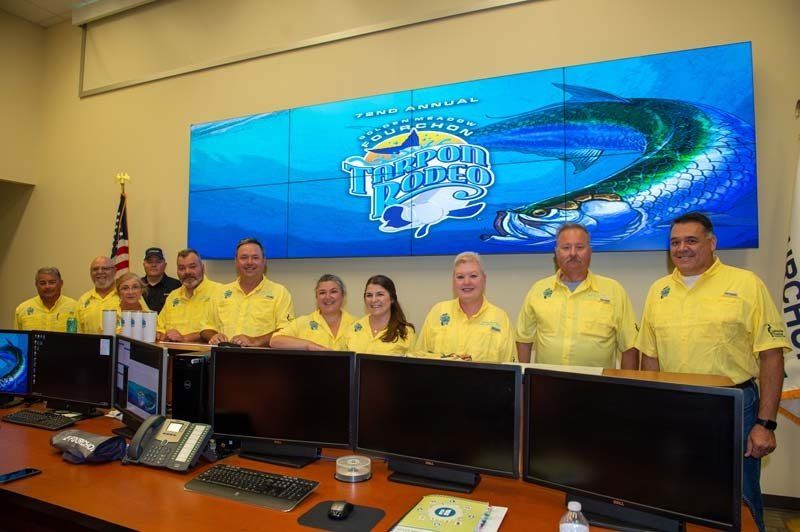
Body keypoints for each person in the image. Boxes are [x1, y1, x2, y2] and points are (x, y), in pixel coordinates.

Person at [635, 212, 790, 532]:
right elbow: (649, 358)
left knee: (740, 497)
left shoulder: (746, 284)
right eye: (675, 242)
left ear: (712, 242)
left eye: (691, 240)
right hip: (674, 408)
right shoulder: (658, 291)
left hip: (734, 406)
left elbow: (771, 356)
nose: (681, 248)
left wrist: (766, 423)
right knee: (674, 490)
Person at [515, 222, 639, 368]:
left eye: (580, 247)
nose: (573, 253)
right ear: (556, 253)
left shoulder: (614, 291)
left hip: (599, 386)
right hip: (547, 385)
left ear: (590, 251)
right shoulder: (538, 290)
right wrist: (522, 382)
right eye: (566, 248)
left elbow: (630, 347)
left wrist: (625, 389)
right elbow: (523, 339)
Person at [416, 252, 516, 362]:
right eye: (460, 277)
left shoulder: (500, 318)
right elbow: (419, 358)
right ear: (454, 281)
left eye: (473, 276)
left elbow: (510, 368)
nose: (466, 282)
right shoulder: (438, 311)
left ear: (484, 279)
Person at [201, 237, 294, 347]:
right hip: (224, 358)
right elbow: (205, 328)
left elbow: (286, 330)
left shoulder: (280, 293)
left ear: (264, 261)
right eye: (244, 258)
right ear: (236, 261)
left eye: (255, 257)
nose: (249, 262)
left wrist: (256, 341)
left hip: (263, 359)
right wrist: (213, 336)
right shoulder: (220, 292)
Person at [270, 274, 356, 350]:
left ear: (343, 295)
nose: (327, 297)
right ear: (316, 297)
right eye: (322, 293)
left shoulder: (356, 324)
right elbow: (274, 340)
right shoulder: (303, 322)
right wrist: (308, 345)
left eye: (333, 292)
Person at [156, 249, 221, 343]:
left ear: (203, 268)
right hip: (171, 353)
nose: (187, 272)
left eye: (192, 267)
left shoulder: (219, 292)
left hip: (204, 354)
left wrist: (185, 338)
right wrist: (161, 335)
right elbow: (160, 328)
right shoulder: (173, 296)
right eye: (182, 268)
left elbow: (221, 330)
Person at [343, 275, 415, 355]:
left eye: (380, 294)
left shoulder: (406, 332)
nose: (373, 300)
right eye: (369, 295)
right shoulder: (354, 328)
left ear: (392, 298)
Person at [15, 267, 77, 331]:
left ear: (61, 283)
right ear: (36, 285)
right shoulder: (22, 309)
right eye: (43, 283)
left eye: (52, 282)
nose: (47, 287)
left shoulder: (75, 307)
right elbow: (18, 339)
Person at [76, 256, 119, 333]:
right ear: (90, 273)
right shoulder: (83, 300)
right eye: (95, 269)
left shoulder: (128, 296)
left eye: (105, 268)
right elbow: (77, 333)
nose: (100, 272)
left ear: (115, 271)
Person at [141, 247, 180, 313]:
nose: (153, 265)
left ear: (165, 265)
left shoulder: (177, 286)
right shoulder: (136, 286)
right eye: (150, 262)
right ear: (144, 265)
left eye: (158, 262)